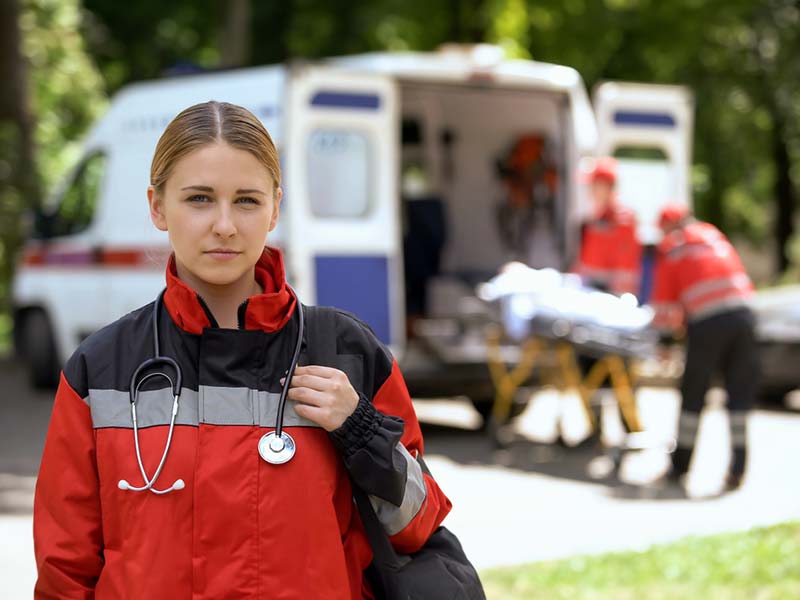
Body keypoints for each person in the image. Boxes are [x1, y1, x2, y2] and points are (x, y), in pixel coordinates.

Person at [33, 101, 452, 598]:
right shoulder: (100, 369)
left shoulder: (347, 354)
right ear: (157, 206)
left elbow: (418, 526)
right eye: (200, 199)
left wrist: (362, 432)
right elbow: (65, 571)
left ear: (276, 207)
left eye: (247, 201)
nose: (225, 225)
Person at [650, 203, 757, 491]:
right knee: (738, 395)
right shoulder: (713, 236)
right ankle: (738, 468)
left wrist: (663, 341)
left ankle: (679, 467)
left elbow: (664, 304)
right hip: (745, 317)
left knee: (693, 394)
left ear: (668, 227)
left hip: (707, 323)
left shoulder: (674, 247)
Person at [572, 156, 641, 296]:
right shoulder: (598, 217)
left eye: (593, 185)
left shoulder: (622, 220)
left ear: (605, 186)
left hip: (611, 297)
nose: (589, 190)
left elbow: (624, 268)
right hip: (592, 290)